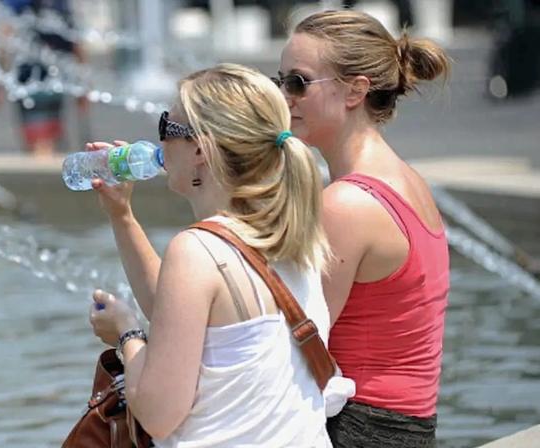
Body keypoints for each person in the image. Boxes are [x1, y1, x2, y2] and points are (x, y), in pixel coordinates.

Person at [87, 63, 333, 446]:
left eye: (167, 126)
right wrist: (122, 216)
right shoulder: (293, 234)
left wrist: (126, 332)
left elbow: (158, 414)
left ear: (200, 148)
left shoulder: (197, 251)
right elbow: (178, 315)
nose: (159, 141)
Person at [277, 10, 450, 447]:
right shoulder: (404, 180)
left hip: (358, 429)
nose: (283, 97)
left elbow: (287, 343)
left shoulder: (346, 204)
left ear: (355, 90)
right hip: (401, 429)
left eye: (297, 82)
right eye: (280, 81)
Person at [0, 0, 84, 157]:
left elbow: (4, 41)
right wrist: (82, 86)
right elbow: (76, 44)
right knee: (50, 140)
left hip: (29, 82)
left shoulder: (16, 4)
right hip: (55, 80)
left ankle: (44, 163)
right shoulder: (59, 5)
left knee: (37, 144)